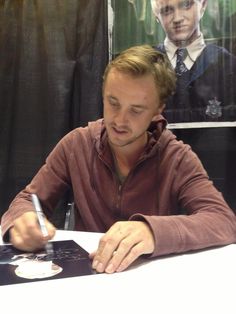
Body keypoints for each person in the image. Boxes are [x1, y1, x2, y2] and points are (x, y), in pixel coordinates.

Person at [1, 45, 236, 274]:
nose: (119, 121)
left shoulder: (177, 158)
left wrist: (152, 232)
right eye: (113, 103)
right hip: (85, 278)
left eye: (136, 110)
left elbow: (223, 221)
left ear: (157, 110)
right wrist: (23, 220)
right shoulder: (76, 144)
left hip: (150, 281)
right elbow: (28, 200)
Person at [151, 0, 236, 122]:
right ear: (156, 15)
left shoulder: (228, 66)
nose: (177, 18)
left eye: (186, 5)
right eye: (166, 10)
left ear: (203, 5)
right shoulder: (146, 65)